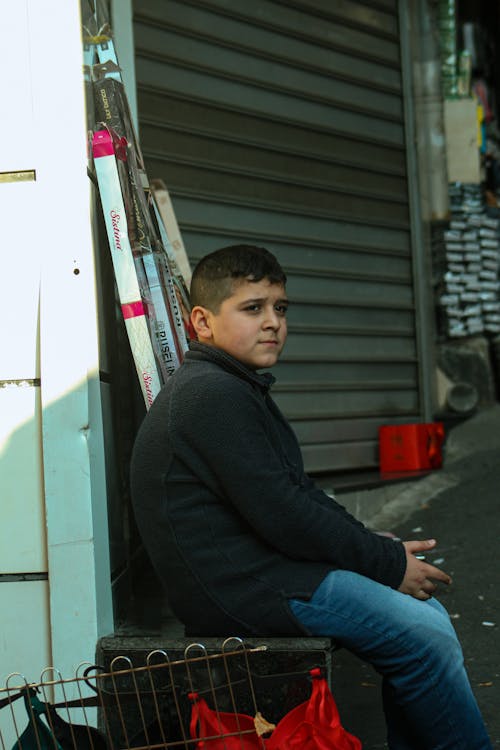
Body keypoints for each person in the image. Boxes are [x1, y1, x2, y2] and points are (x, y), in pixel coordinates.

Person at [130, 244, 492, 749]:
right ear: (202, 322)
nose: (272, 321)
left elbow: (296, 494)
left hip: (263, 570)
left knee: (425, 622)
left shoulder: (233, 386)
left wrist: (371, 545)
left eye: (280, 308)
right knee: (424, 637)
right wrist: (384, 562)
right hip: (243, 589)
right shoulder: (209, 395)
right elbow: (286, 515)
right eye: (252, 308)